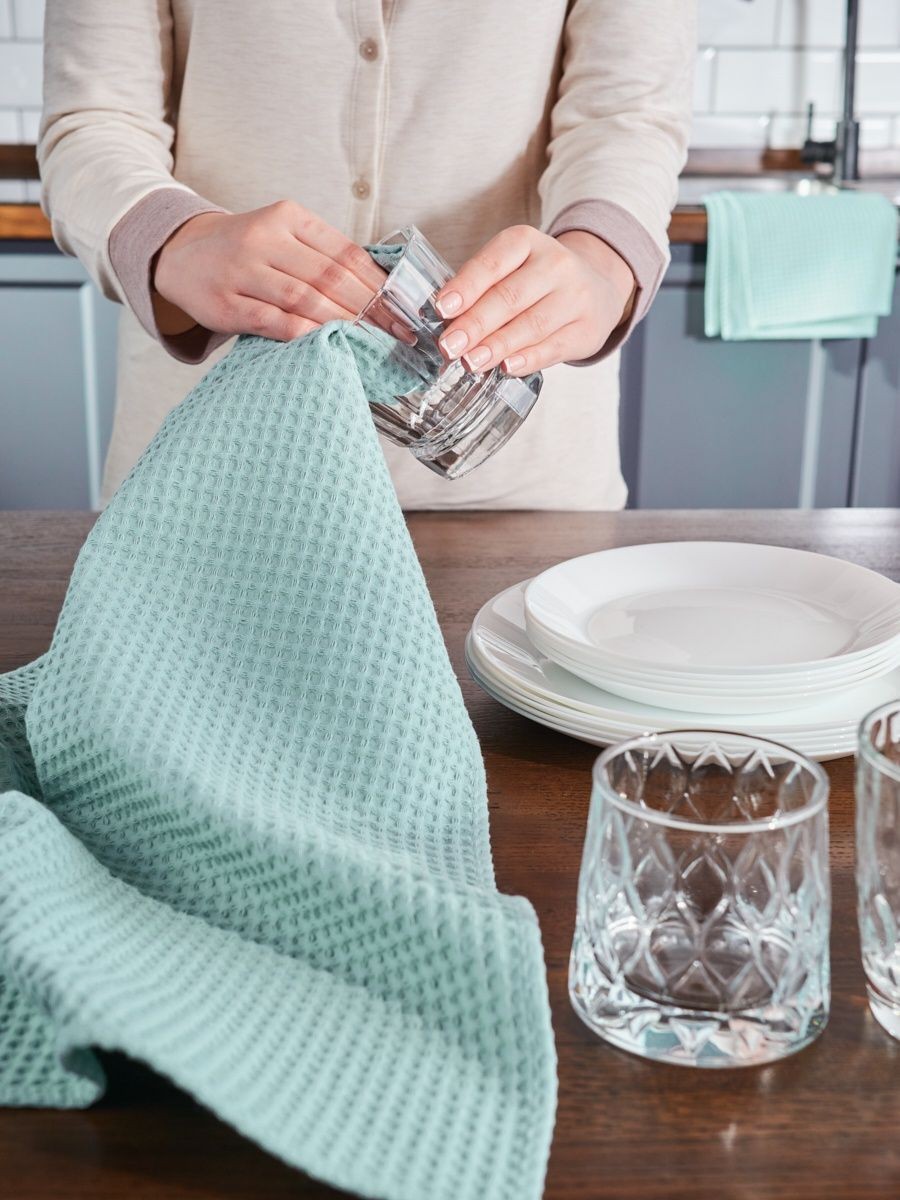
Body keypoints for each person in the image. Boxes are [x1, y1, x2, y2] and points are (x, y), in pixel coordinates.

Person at [38, 2, 694, 510]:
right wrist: (175, 237)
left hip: (515, 479)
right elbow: (96, 117)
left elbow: (627, 116)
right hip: (203, 469)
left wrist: (600, 260)